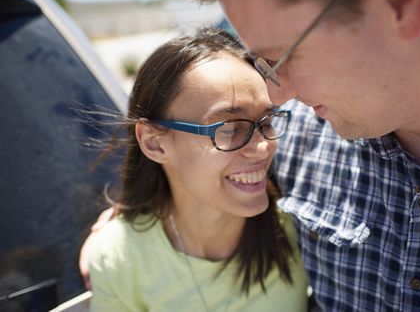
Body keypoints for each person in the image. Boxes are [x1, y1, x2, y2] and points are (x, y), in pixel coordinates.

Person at [183, 0, 420, 311]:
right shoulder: (289, 139)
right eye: (263, 65)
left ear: (404, 4)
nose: (277, 94)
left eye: (281, 58)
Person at [83, 27, 308, 312]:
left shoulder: (300, 225)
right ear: (155, 143)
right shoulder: (118, 257)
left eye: (266, 122)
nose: (263, 147)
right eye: (230, 129)